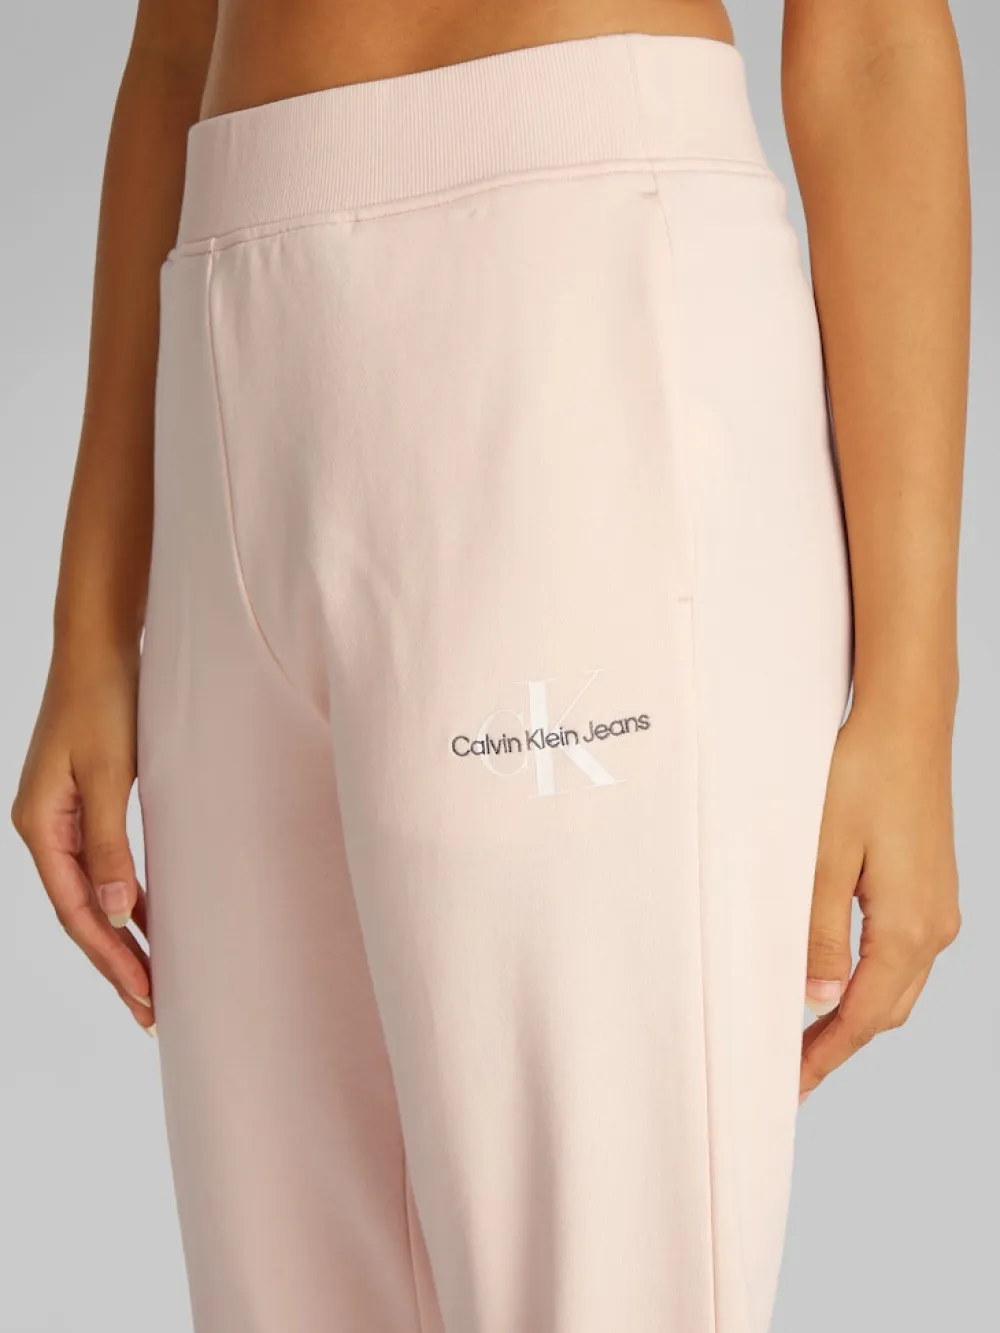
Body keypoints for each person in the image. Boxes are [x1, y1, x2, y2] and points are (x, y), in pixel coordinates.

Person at [11, 1, 970, 1330]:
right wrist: (90, 622)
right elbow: (175, 42)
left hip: (574, 290)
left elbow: (870, 38)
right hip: (229, 328)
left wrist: (913, 702)